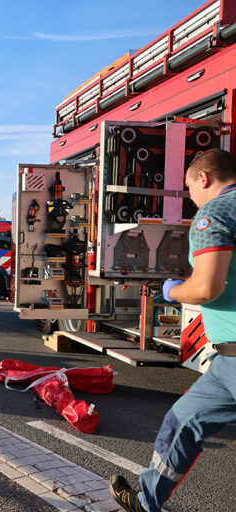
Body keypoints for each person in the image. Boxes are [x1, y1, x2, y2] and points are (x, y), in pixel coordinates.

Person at [110, 149, 236, 512]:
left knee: (181, 423)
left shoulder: (214, 213)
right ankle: (147, 502)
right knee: (181, 421)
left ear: (204, 178)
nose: (191, 199)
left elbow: (207, 288)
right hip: (226, 364)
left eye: (188, 189)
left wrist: (172, 290)